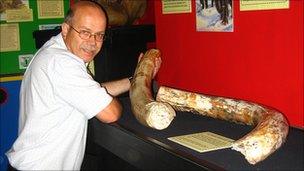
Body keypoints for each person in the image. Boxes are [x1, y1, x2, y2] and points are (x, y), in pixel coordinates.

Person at [6, 1, 161, 170]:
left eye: (99, 35)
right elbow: (111, 113)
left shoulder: (54, 50)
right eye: (85, 32)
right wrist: (113, 102)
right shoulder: (62, 62)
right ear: (65, 29)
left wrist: (135, 79)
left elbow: (91, 91)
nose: (93, 42)